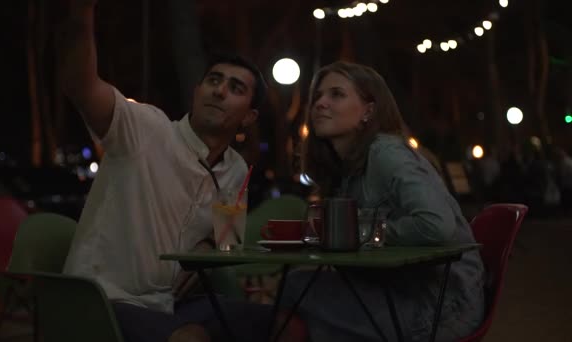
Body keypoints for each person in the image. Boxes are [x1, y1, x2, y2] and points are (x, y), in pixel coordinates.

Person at [58, 1, 272, 341]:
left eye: (236, 88)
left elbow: (225, 243)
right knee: (192, 339)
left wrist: (204, 250)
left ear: (249, 116)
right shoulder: (145, 128)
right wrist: (81, 15)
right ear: (196, 92)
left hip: (167, 304)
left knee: (280, 322)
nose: (220, 90)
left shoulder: (236, 169)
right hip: (101, 300)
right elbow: (79, 84)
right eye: (214, 80)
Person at [280, 61, 485, 341]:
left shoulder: (387, 153)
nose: (320, 103)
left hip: (441, 306)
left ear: (368, 111)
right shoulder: (347, 170)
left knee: (294, 289)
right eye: (318, 96)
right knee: (299, 291)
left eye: (336, 95)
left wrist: (361, 231)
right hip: (397, 294)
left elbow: (436, 225)